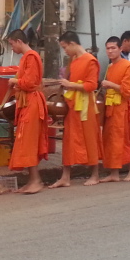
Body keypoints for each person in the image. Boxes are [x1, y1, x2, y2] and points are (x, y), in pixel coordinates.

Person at [50, 31, 103, 187]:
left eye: (65, 47)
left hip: (86, 106)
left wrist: (71, 85)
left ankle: (95, 175)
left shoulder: (90, 60)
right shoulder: (73, 60)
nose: (64, 51)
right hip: (73, 105)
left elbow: (92, 85)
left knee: (89, 138)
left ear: (72, 44)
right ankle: (65, 177)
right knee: (69, 140)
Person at [6, 29, 49, 194]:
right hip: (27, 102)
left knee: (29, 142)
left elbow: (30, 82)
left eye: (11, 44)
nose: (12, 48)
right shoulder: (27, 57)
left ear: (18, 41)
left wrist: (15, 80)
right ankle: (32, 180)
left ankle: (36, 181)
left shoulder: (31, 56)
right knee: (26, 142)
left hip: (32, 102)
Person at [100, 36, 130, 183]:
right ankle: (114, 173)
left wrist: (111, 84)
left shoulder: (128, 66)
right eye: (108, 48)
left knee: (124, 140)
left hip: (122, 108)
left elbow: (129, 91)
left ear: (120, 48)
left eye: (113, 48)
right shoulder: (110, 67)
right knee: (111, 140)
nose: (110, 51)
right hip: (110, 107)